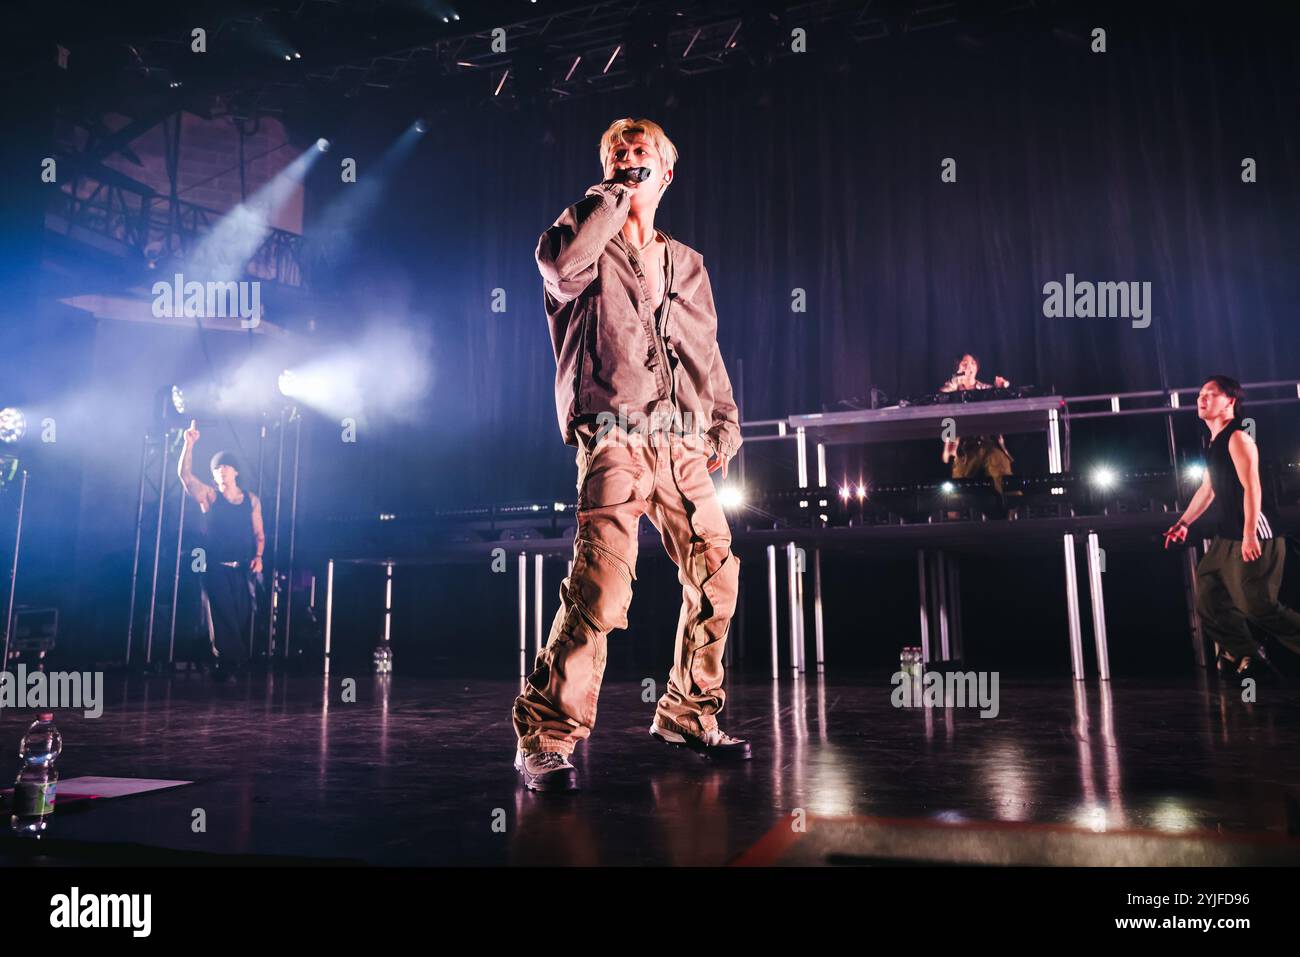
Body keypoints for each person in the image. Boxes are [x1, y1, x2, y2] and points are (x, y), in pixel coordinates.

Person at [512, 117, 748, 791]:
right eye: (619, 148)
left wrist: (723, 424)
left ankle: (687, 711)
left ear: (667, 171)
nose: (629, 153)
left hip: (679, 441)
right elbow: (557, 267)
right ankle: (547, 735)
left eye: (643, 149)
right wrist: (613, 195)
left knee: (717, 574)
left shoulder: (690, 264)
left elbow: (706, 353)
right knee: (602, 587)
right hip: (614, 435)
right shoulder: (581, 237)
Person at [1164, 376, 1300, 679]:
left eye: (1210, 394)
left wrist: (1250, 533)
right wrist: (1184, 522)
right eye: (1200, 394)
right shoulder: (1214, 440)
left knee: (1257, 604)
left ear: (1230, 401)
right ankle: (1248, 654)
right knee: (1209, 597)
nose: (1202, 399)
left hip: (1255, 532)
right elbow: (1208, 489)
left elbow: (1253, 487)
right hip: (1228, 535)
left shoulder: (1239, 437)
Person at [177, 420, 264, 681]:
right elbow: (185, 477)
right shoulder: (210, 497)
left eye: (224, 467)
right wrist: (188, 445)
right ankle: (235, 662)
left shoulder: (250, 500)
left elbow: (259, 533)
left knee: (241, 615)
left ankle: (225, 664)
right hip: (215, 567)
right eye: (216, 469)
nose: (220, 472)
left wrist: (259, 556)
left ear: (235, 471)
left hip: (241, 568)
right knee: (222, 611)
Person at [939, 353, 1014, 495]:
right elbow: (943, 412)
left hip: (988, 443)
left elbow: (1003, 396)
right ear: (957, 367)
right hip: (963, 448)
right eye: (964, 363)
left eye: (973, 363)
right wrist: (954, 384)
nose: (969, 366)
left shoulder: (985, 389)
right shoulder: (951, 389)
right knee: (955, 491)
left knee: (1002, 472)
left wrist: (1002, 387)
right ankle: (954, 515)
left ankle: (1015, 511)